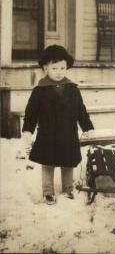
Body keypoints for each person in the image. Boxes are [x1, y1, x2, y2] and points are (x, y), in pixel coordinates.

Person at [22, 45, 94, 205]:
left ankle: (68, 188)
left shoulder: (72, 89)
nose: (59, 71)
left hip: (68, 132)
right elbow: (31, 112)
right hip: (47, 133)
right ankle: (48, 191)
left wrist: (87, 126)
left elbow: (80, 110)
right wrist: (28, 130)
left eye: (62, 68)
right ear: (45, 68)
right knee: (48, 162)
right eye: (54, 68)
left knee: (68, 161)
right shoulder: (39, 90)